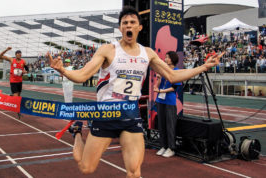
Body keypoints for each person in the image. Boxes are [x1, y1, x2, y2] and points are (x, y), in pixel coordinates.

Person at [48, 6, 223, 178]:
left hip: (131, 115)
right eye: (125, 23)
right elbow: (82, 75)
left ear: (139, 27)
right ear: (120, 28)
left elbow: (173, 75)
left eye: (132, 22)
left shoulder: (147, 53)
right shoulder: (108, 50)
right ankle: (77, 132)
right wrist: (62, 70)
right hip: (106, 115)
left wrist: (204, 67)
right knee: (87, 168)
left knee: (134, 172)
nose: (128, 25)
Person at [154, 51, 181, 158]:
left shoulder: (176, 71)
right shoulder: (163, 70)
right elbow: (157, 85)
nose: (166, 58)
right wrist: (159, 78)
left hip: (170, 101)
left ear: (173, 59)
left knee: (170, 125)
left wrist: (161, 91)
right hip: (160, 100)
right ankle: (163, 146)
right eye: (165, 57)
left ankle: (171, 148)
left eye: (168, 57)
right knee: (161, 124)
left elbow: (174, 88)